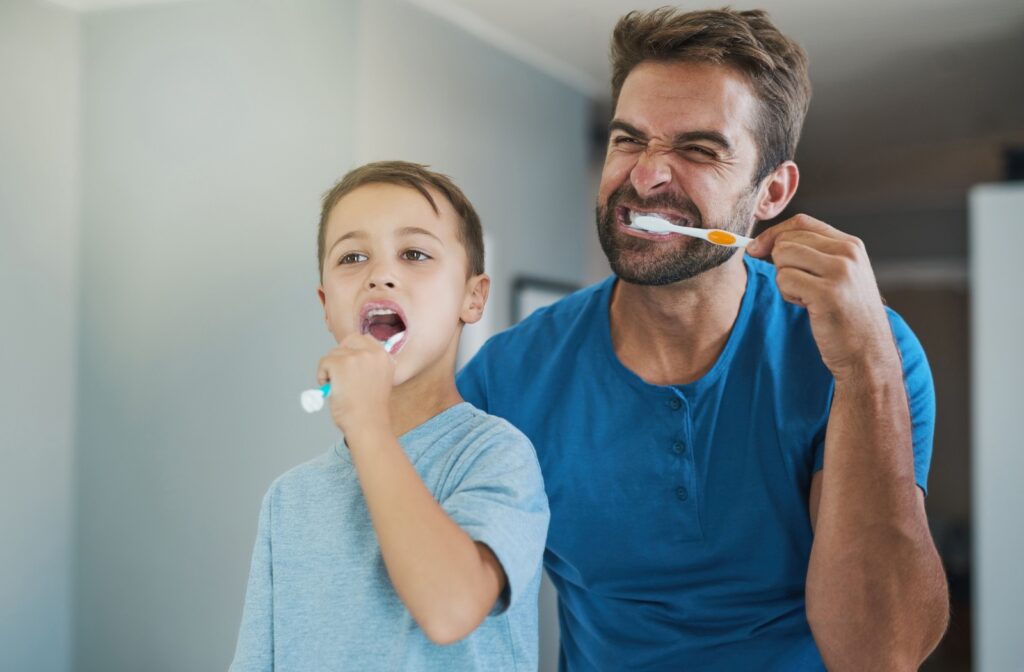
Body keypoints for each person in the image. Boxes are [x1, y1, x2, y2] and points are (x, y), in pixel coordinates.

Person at [458, 8, 948, 671]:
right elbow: (436, 596)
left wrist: (866, 369)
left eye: (697, 149)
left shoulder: (874, 354)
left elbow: (881, 654)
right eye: (628, 140)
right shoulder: (508, 377)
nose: (646, 176)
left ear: (772, 191)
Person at [230, 161, 549, 671]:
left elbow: (449, 610)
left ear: (473, 297)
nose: (381, 274)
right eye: (352, 257)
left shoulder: (497, 456)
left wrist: (369, 426)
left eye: (415, 254)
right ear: (327, 305)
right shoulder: (288, 502)